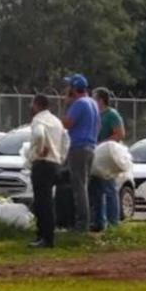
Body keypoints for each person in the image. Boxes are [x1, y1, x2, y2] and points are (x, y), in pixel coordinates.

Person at [26, 94, 69, 249]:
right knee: (49, 201)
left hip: (42, 164)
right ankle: (46, 236)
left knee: (42, 202)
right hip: (55, 164)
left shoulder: (38, 119)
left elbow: (38, 134)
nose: (31, 107)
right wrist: (61, 157)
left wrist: (40, 149)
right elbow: (66, 140)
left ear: (37, 105)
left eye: (32, 104)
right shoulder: (56, 121)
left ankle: (45, 237)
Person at [61, 73, 100, 233]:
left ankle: (81, 224)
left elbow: (67, 124)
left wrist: (67, 104)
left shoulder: (78, 104)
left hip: (78, 147)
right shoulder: (92, 103)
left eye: (69, 87)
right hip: (90, 146)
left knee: (79, 187)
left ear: (74, 89)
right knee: (83, 185)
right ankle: (84, 220)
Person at [90, 87, 127, 231]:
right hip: (95, 156)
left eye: (94, 98)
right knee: (96, 190)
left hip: (107, 157)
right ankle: (99, 222)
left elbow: (120, 134)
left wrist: (102, 144)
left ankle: (113, 223)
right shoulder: (95, 115)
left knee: (109, 189)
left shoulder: (112, 115)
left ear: (101, 100)